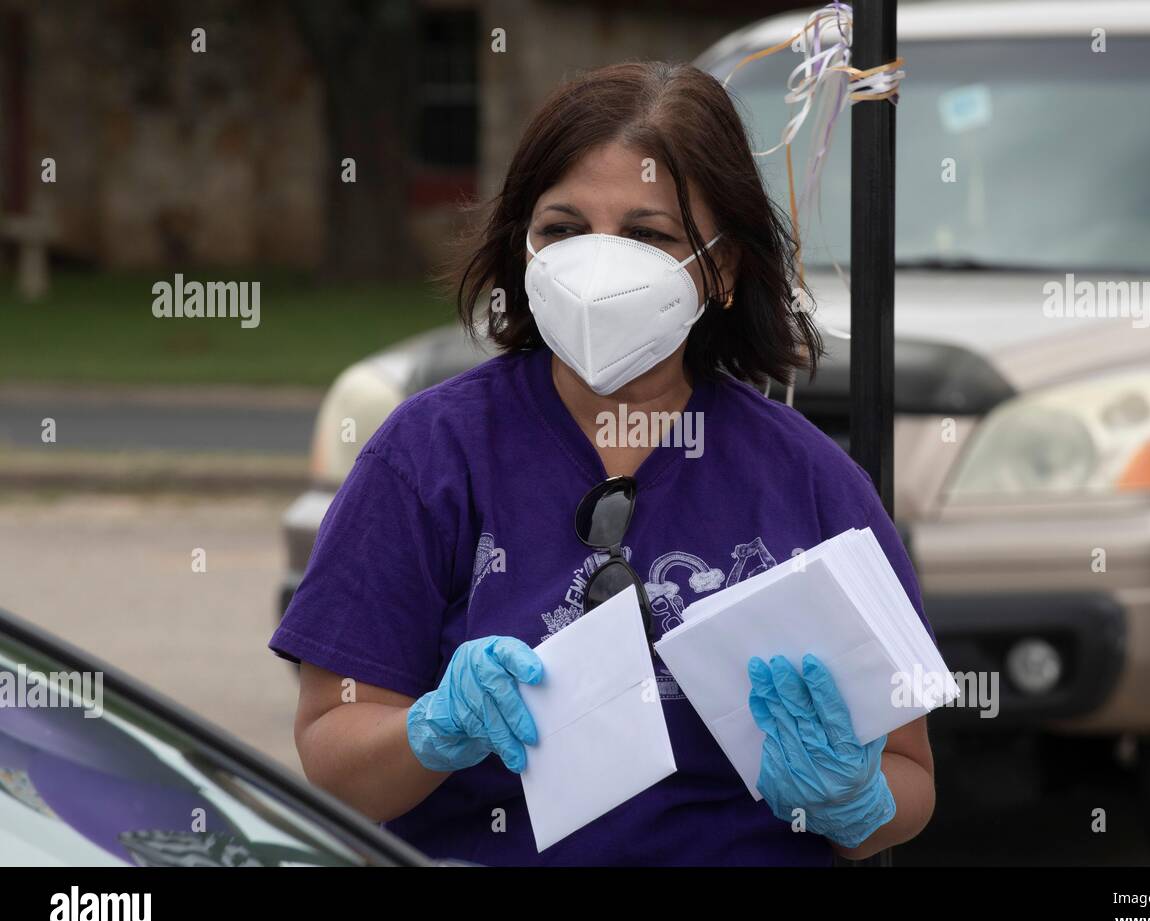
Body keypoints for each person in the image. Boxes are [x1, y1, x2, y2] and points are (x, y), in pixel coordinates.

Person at [270, 61, 936, 866]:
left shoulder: (809, 480)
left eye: (648, 234)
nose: (596, 267)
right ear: (523, 247)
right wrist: (434, 732)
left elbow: (908, 777)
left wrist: (852, 799)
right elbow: (334, 757)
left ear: (721, 270)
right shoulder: (428, 456)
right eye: (563, 229)